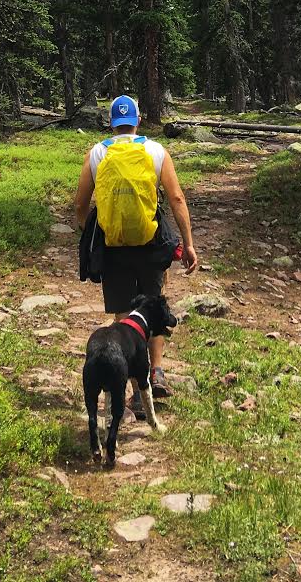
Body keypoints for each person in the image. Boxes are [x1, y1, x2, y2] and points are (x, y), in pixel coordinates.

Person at [74, 94, 198, 412]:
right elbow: (177, 199)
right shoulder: (155, 151)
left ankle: (136, 392)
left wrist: (90, 232)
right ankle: (155, 371)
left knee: (124, 317)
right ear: (138, 121)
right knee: (153, 307)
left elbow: (80, 205)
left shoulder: (98, 153)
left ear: (111, 123)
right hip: (150, 244)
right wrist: (188, 243)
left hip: (114, 247)